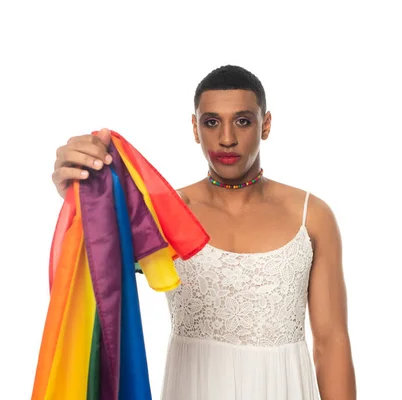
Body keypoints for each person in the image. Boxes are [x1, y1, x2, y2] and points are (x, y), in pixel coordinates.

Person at [51, 65, 356, 399]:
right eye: (211, 122)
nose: (226, 138)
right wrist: (80, 192)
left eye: (243, 121)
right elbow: (100, 264)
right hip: (193, 388)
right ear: (195, 128)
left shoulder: (311, 215)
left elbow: (331, 342)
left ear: (265, 125)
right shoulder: (165, 212)